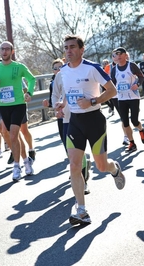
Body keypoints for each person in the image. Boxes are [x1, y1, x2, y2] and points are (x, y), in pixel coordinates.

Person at [54, 34, 125, 225]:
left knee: (101, 166)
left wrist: (92, 101)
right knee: (75, 165)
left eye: (72, 47)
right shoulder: (63, 71)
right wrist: (62, 103)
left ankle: (114, 169)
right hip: (75, 121)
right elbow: (70, 94)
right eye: (66, 47)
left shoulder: (92, 68)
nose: (69, 51)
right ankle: (82, 211)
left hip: (94, 120)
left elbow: (112, 91)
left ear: (81, 49)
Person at [0, 41, 35, 181]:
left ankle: (17, 167)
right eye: (2, 49)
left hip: (18, 104)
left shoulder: (18, 67)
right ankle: (26, 161)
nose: (4, 51)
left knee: (13, 134)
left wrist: (29, 93)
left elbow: (32, 79)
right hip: (4, 106)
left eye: (7, 49)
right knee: (15, 137)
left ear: (12, 51)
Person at [43, 58, 91, 194]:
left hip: (78, 116)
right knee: (68, 149)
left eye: (60, 66)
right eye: (55, 68)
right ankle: (78, 170)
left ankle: (84, 181)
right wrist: (56, 109)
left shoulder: (75, 74)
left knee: (77, 151)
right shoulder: (58, 77)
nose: (58, 69)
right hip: (64, 118)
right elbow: (55, 95)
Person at [111, 47, 144, 153]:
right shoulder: (114, 69)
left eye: (119, 54)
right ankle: (132, 143)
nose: (117, 56)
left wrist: (137, 84)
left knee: (134, 121)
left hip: (133, 97)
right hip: (121, 98)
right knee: (125, 122)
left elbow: (141, 77)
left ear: (125, 55)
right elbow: (112, 83)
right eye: (116, 54)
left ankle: (141, 129)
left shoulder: (131, 65)